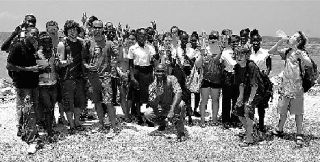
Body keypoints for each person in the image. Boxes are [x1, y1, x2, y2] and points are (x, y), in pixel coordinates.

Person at [269, 31, 312, 146]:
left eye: (294, 36)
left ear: (298, 41)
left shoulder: (301, 52)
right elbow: (271, 52)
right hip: (285, 86)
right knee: (282, 110)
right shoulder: (287, 52)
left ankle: (299, 134)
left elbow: (309, 64)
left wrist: (301, 55)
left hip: (297, 87)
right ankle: (279, 129)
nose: (290, 37)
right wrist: (281, 41)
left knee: (298, 112)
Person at [6, 26, 43, 154]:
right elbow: (9, 65)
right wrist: (28, 69)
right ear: (26, 34)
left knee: (28, 110)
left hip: (34, 84)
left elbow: (35, 64)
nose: (35, 36)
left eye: (36, 34)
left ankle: (23, 131)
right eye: (32, 34)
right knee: (29, 111)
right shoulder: (17, 46)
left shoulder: (33, 47)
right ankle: (32, 140)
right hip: (22, 85)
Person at [82, 20, 118, 132]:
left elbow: (118, 57)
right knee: (97, 102)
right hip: (93, 76)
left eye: (99, 27)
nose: (97, 30)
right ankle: (101, 124)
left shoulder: (109, 43)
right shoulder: (88, 43)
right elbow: (83, 59)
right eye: (95, 27)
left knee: (108, 102)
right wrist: (87, 66)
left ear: (103, 29)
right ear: (91, 28)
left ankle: (113, 126)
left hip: (105, 77)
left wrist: (113, 67)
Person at [57, 20, 87, 134]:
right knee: (68, 102)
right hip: (67, 77)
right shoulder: (62, 44)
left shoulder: (82, 42)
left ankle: (77, 121)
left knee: (79, 101)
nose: (72, 32)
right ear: (66, 31)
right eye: (70, 30)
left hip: (79, 76)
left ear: (78, 31)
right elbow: (59, 62)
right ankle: (71, 124)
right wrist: (66, 63)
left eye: (74, 30)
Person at [145, 63, 187, 141]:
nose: (160, 73)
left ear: (166, 72)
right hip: (162, 107)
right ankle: (162, 123)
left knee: (181, 105)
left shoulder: (172, 79)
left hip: (173, 105)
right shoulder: (152, 85)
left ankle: (180, 132)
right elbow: (152, 103)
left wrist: (171, 110)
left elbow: (178, 93)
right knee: (148, 113)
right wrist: (157, 96)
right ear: (155, 72)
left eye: (162, 71)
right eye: (158, 71)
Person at [232, 47, 264, 147]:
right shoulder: (237, 67)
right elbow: (241, 83)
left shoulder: (251, 66)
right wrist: (240, 97)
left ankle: (249, 139)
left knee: (247, 110)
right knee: (238, 110)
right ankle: (251, 131)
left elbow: (255, 85)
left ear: (247, 56)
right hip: (245, 90)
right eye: (237, 55)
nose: (239, 57)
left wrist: (249, 101)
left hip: (257, 91)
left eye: (242, 55)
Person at [128, 28, 157, 125]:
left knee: (149, 95)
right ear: (137, 36)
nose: (143, 37)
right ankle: (139, 117)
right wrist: (132, 77)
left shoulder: (150, 47)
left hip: (148, 71)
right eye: (141, 35)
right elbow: (131, 64)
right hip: (137, 71)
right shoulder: (132, 48)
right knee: (137, 96)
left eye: (145, 35)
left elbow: (154, 60)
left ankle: (149, 118)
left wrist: (156, 56)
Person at [195, 30, 224, 127]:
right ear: (208, 39)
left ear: (218, 39)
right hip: (205, 79)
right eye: (210, 38)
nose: (212, 40)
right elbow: (198, 65)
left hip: (217, 79)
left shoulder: (221, 50)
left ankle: (214, 119)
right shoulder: (205, 49)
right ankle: (202, 120)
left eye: (214, 38)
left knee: (215, 100)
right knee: (204, 100)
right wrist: (201, 55)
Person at [36, 32, 59, 141]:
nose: (47, 44)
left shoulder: (54, 53)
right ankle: (49, 132)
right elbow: (32, 69)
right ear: (41, 43)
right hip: (42, 85)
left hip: (53, 84)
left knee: (51, 108)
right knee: (48, 108)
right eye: (44, 42)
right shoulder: (37, 54)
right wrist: (42, 69)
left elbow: (56, 66)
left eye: (49, 42)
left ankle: (49, 128)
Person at [249, 29, 272, 132]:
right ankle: (250, 123)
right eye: (254, 40)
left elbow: (269, 67)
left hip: (262, 82)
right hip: (250, 81)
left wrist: (264, 76)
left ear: (260, 41)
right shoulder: (248, 52)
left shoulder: (265, 53)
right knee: (250, 103)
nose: (255, 42)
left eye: (257, 40)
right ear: (251, 41)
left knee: (261, 105)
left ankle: (261, 125)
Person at [221, 35, 240, 128]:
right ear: (229, 42)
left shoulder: (242, 52)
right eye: (232, 42)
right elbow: (232, 64)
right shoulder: (225, 52)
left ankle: (235, 119)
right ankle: (225, 120)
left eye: (236, 41)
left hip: (238, 77)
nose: (235, 43)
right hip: (228, 76)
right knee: (226, 99)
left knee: (236, 99)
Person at [117, 33, 136, 122]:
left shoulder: (135, 50)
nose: (131, 40)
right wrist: (120, 73)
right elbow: (116, 62)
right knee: (122, 95)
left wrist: (129, 73)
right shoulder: (121, 48)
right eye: (130, 39)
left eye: (133, 39)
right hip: (121, 74)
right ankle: (126, 115)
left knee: (130, 96)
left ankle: (127, 114)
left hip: (131, 75)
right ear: (126, 39)